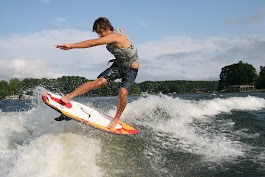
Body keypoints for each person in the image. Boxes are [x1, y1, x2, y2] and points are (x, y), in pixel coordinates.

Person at [56, 17, 139, 128]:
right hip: (118, 65)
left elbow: (92, 43)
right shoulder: (115, 32)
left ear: (107, 28)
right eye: (98, 33)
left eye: (100, 32)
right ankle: (68, 96)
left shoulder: (115, 36)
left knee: (123, 92)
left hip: (131, 69)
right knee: (99, 82)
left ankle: (116, 118)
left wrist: (71, 46)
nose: (99, 35)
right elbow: (118, 30)